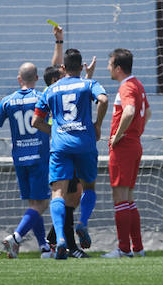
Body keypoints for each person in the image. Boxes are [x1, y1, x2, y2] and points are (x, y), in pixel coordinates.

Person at [32, 47, 108, 259]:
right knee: (88, 187)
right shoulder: (88, 84)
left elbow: (35, 121)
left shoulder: (50, 90)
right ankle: (82, 223)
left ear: (63, 68)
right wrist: (98, 125)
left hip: (61, 146)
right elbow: (102, 100)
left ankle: (61, 239)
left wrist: (55, 130)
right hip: (85, 142)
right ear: (80, 65)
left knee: (58, 193)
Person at [0, 62, 53, 258]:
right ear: (37, 79)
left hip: (20, 159)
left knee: (33, 204)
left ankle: (44, 248)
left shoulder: (8, 101)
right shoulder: (42, 97)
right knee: (42, 203)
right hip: (39, 157)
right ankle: (16, 236)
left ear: (19, 79)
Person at [101, 48, 151, 259]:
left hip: (124, 147)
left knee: (120, 196)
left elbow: (130, 111)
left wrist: (119, 135)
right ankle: (137, 248)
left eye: (110, 64)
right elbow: (147, 112)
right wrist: (136, 131)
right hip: (134, 144)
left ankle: (123, 249)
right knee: (128, 196)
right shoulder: (137, 84)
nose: (108, 68)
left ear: (118, 68)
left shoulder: (126, 86)